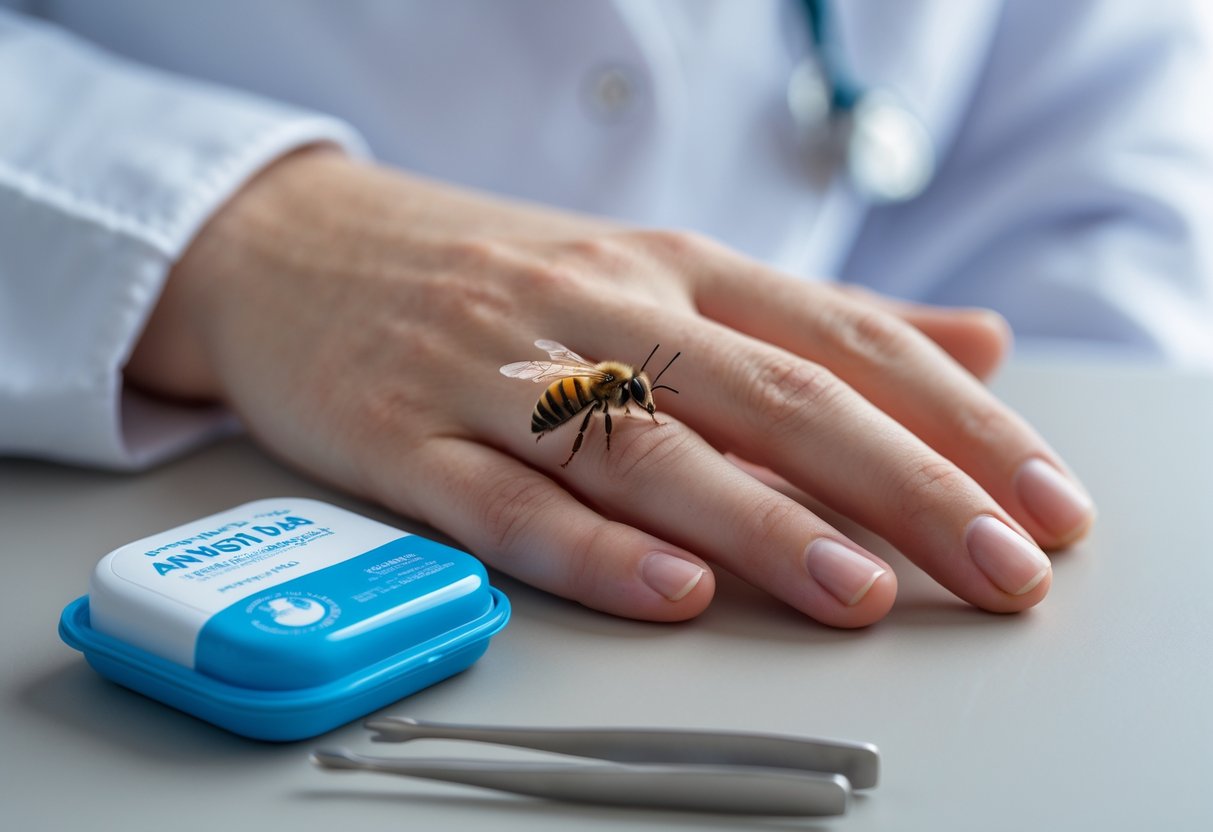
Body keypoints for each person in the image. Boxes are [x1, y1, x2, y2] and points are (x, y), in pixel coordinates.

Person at [3, 1, 1211, 628]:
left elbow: (1096, 169)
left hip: (771, 520)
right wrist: (238, 236)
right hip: (165, 449)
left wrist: (1001, 476)